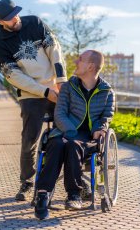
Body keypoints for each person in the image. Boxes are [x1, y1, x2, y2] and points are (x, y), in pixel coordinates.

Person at [0, 0, 67, 201]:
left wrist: (60, 80)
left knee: (70, 132)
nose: (15, 19)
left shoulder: (34, 22)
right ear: (0, 21)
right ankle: (27, 181)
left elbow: (55, 50)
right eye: (9, 18)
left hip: (56, 86)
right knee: (29, 140)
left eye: (15, 13)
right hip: (30, 94)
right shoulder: (0, 43)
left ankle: (75, 179)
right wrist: (43, 92)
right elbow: (13, 76)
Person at [34, 50, 115, 220]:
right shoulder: (69, 87)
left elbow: (107, 115)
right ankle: (43, 194)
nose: (76, 62)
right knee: (56, 144)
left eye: (80, 59)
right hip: (64, 131)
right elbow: (60, 113)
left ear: (91, 66)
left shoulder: (107, 91)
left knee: (72, 145)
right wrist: (69, 132)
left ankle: (74, 195)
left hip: (88, 138)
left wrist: (100, 127)